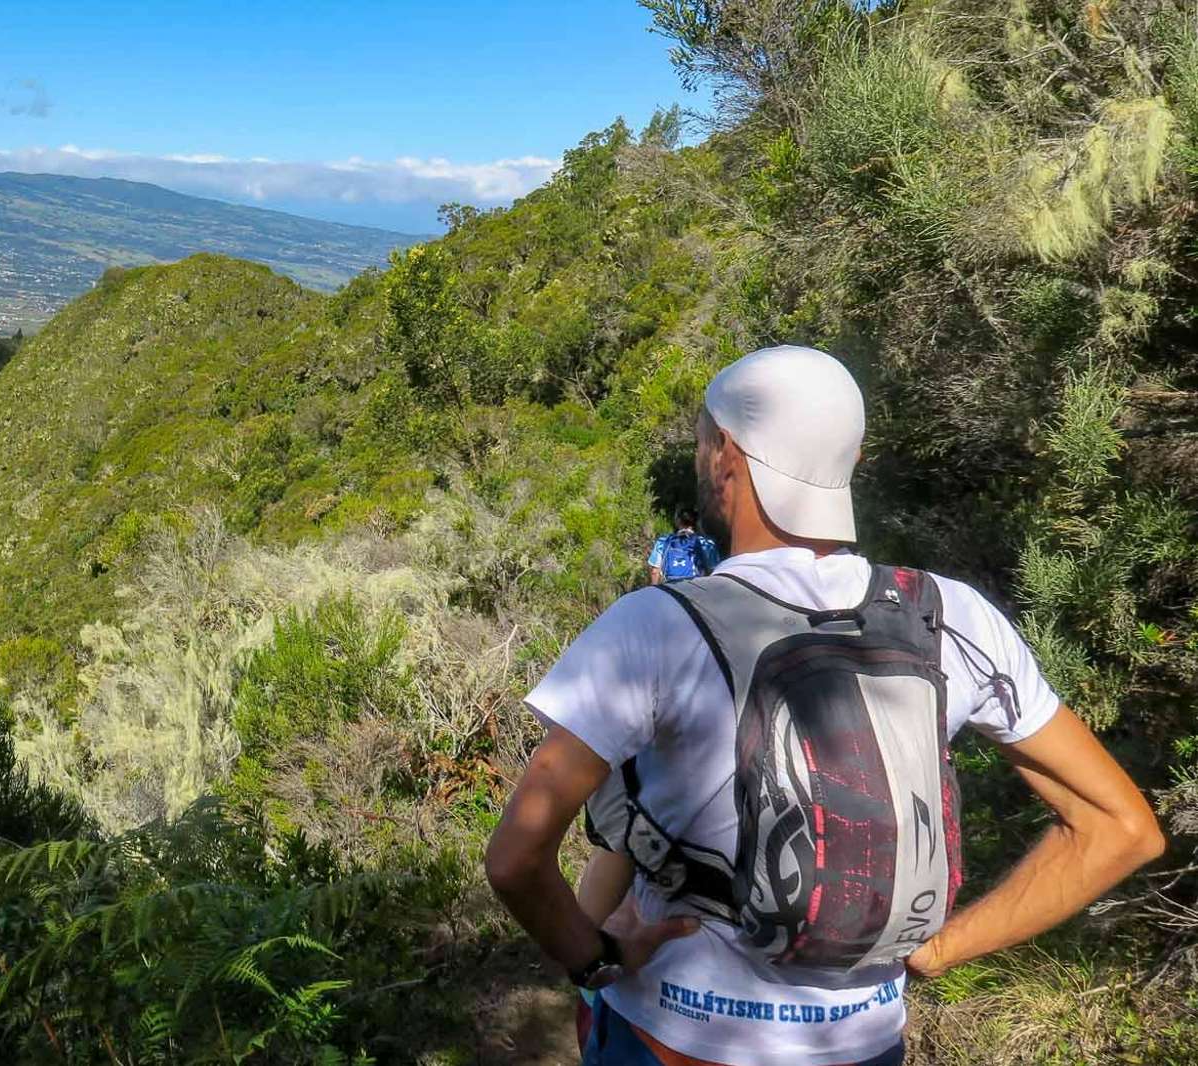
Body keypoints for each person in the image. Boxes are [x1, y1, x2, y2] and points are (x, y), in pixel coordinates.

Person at [483, 345, 1164, 1066]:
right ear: (855, 458)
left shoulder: (656, 624)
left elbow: (517, 859)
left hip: (677, 1037)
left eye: (704, 443)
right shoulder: (953, 616)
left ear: (726, 458)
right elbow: (1120, 827)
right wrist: (937, 949)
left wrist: (596, 961)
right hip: (864, 1044)